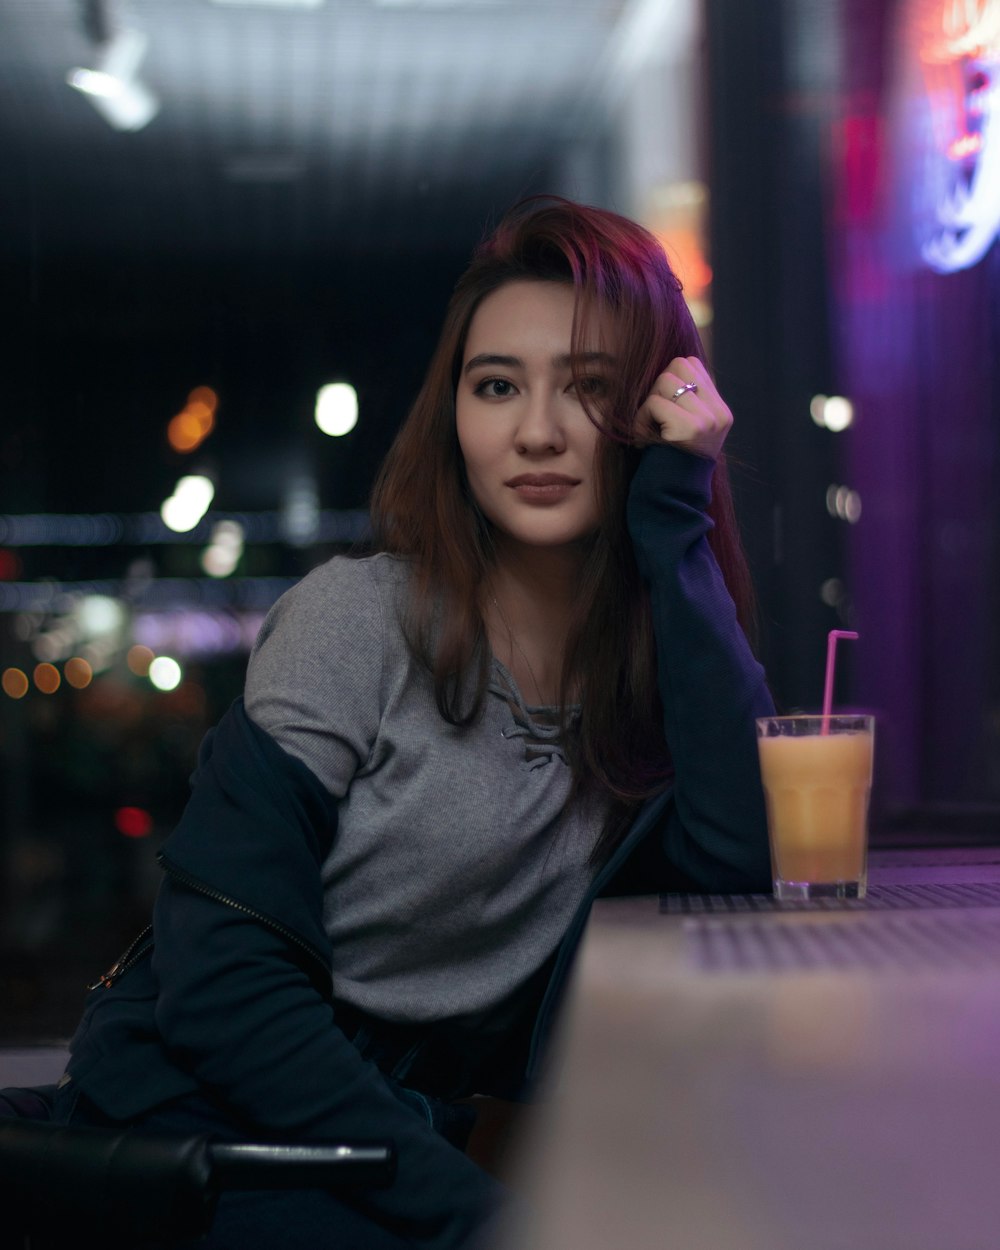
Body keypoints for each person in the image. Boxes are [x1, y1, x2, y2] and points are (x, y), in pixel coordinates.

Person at [51, 195, 774, 1248]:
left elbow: (742, 851)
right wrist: (479, 1216)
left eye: (588, 387)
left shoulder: (656, 669)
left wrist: (673, 512)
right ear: (456, 418)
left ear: (651, 412)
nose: (535, 429)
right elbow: (222, 994)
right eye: (495, 387)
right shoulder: (355, 621)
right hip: (214, 1125)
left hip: (396, 1142)